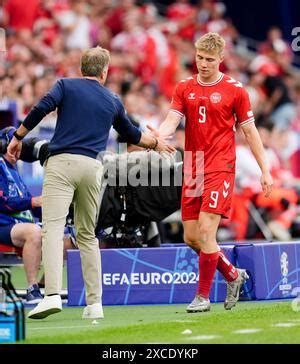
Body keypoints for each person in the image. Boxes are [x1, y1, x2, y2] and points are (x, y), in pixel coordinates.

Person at [7, 46, 174, 320]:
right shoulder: (112, 99)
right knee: (87, 235)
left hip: (61, 163)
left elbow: (40, 109)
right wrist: (157, 143)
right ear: (105, 72)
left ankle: (51, 295)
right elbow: (132, 134)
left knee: (52, 229)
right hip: (93, 169)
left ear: (82, 68)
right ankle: (95, 303)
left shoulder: (65, 85)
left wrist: (17, 136)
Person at [151, 32, 273, 313]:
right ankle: (233, 274)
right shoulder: (184, 87)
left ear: (221, 59)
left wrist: (264, 169)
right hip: (194, 166)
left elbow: (250, 132)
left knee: (207, 231)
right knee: (191, 237)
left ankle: (203, 297)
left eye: (208, 59)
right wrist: (161, 134)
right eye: (199, 58)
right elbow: (173, 119)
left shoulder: (235, 90)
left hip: (221, 165)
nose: (203, 64)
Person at [0, 127, 75, 303]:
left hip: (20, 225)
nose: (17, 150)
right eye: (13, 145)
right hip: (4, 225)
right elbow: (3, 202)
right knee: (33, 232)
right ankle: (31, 288)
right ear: (3, 145)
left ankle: (44, 286)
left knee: (70, 241)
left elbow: (32, 207)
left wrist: (57, 210)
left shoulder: (13, 171)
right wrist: (33, 201)